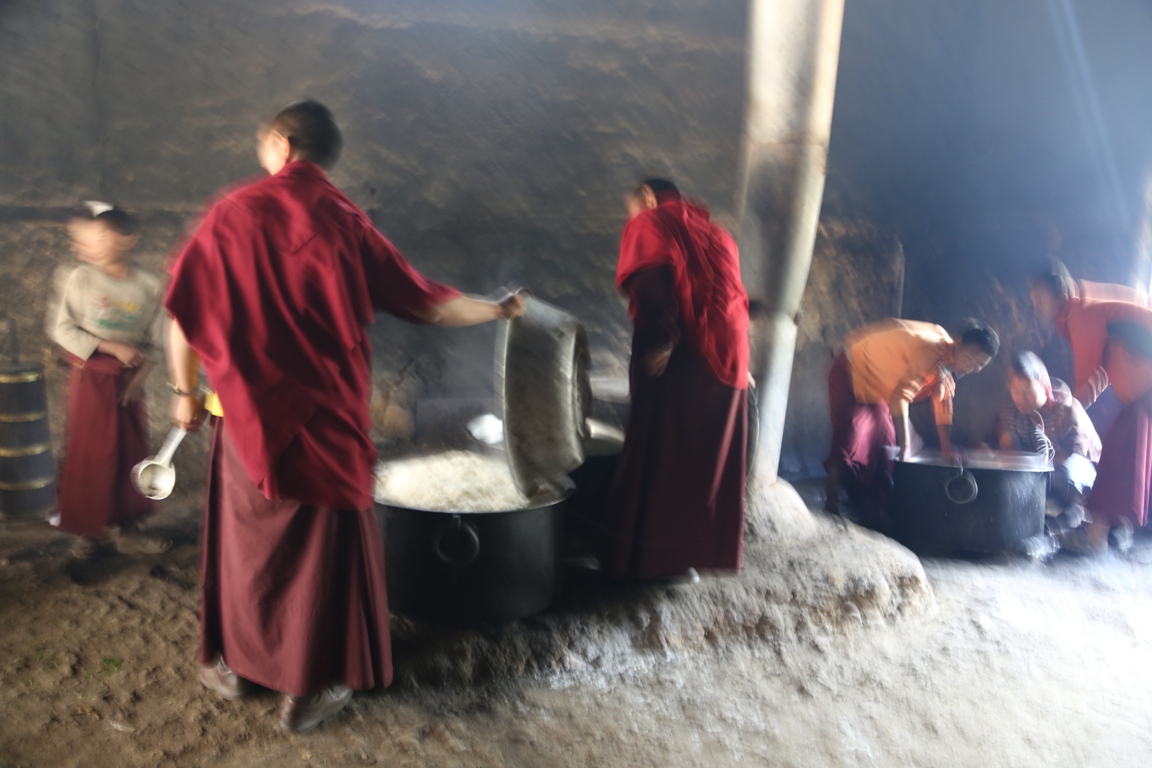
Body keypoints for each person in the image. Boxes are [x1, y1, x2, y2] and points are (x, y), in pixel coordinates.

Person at [164, 100, 524, 733]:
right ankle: (311, 687)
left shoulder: (231, 212)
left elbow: (183, 312)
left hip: (245, 416)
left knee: (248, 541)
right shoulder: (347, 221)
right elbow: (430, 305)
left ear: (281, 144)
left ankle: (238, 666)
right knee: (320, 550)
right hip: (324, 418)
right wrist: (497, 308)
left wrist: (183, 392)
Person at [596, 179, 750, 583]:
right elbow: (731, 297)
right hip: (729, 358)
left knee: (663, 452)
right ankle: (686, 558)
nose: (629, 219)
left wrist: (662, 340)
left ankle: (650, 560)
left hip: (683, 356)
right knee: (701, 459)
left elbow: (651, 284)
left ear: (648, 197)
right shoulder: (717, 235)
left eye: (630, 208)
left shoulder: (652, 222)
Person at [48, 205, 170, 559]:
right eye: (85, 237)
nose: (90, 244)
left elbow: (156, 340)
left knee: (131, 450)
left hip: (129, 379)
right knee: (88, 452)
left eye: (101, 236)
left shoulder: (149, 286)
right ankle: (87, 531)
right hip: (89, 376)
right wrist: (109, 346)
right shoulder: (79, 278)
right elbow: (61, 328)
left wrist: (139, 381)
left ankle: (130, 530)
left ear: (127, 238)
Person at [824, 318, 999, 522]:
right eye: (969, 358)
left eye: (979, 365)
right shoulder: (931, 350)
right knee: (853, 436)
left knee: (885, 441)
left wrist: (946, 445)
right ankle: (831, 501)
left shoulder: (948, 362)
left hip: (877, 387)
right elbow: (901, 396)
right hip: (851, 370)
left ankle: (874, 508)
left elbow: (943, 400)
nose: (970, 367)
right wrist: (906, 447)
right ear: (958, 342)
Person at [1030, 264, 1152, 553]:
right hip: (1140, 378)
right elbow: (1099, 374)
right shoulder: (1086, 304)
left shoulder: (1080, 314)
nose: (1036, 307)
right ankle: (1114, 529)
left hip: (1143, 378)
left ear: (1061, 292)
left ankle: (1096, 534)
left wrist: (1067, 412)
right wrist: (1075, 407)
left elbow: (1087, 377)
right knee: (1128, 452)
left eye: (1040, 299)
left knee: (1118, 451)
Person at [995, 351, 1100, 535]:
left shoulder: (1066, 410)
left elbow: (1076, 455)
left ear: (1045, 388)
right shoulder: (1011, 415)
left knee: (1066, 470)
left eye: (1029, 392)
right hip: (1043, 472)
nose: (1022, 399)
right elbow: (1009, 451)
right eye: (1016, 392)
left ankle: (1073, 512)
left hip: (1081, 474)